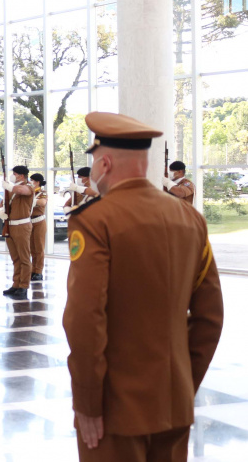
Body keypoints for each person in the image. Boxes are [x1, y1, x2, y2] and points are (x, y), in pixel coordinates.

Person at [63, 111, 223, 462]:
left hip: (115, 411)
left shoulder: (95, 220)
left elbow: (86, 319)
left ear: (105, 163)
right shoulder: (191, 219)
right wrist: (182, 386)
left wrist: (88, 403)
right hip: (173, 403)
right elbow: (210, 318)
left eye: (94, 162)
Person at [0, 165, 34, 300]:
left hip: (22, 225)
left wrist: (8, 186)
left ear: (22, 176)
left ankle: (23, 286)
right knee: (15, 258)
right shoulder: (11, 190)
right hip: (10, 225)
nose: (13, 176)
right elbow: (2, 204)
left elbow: (21, 190)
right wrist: (0, 211)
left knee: (24, 258)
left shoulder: (28, 187)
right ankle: (16, 284)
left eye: (15, 174)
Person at [29, 173, 48, 282]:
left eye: (32, 180)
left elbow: (42, 202)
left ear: (38, 182)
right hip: (29, 221)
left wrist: (33, 200)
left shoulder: (42, 193)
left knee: (39, 248)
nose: (31, 182)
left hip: (39, 221)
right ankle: (33, 269)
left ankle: (38, 271)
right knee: (32, 247)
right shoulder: (30, 192)